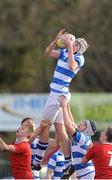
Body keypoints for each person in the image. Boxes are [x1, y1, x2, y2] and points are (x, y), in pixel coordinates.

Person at [31, 27, 89, 170]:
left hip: (58, 94)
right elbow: (47, 52)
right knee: (60, 130)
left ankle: (37, 161)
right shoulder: (65, 52)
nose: (74, 45)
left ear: (79, 49)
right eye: (75, 44)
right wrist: (56, 40)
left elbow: (71, 66)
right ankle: (69, 163)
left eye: (77, 45)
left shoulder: (79, 58)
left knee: (44, 125)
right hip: (58, 94)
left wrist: (69, 46)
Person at [60, 95, 96, 179]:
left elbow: (68, 125)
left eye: (83, 124)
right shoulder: (83, 136)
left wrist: (64, 107)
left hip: (87, 174)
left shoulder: (83, 138)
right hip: (84, 174)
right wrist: (67, 102)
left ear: (87, 130)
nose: (80, 124)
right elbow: (71, 122)